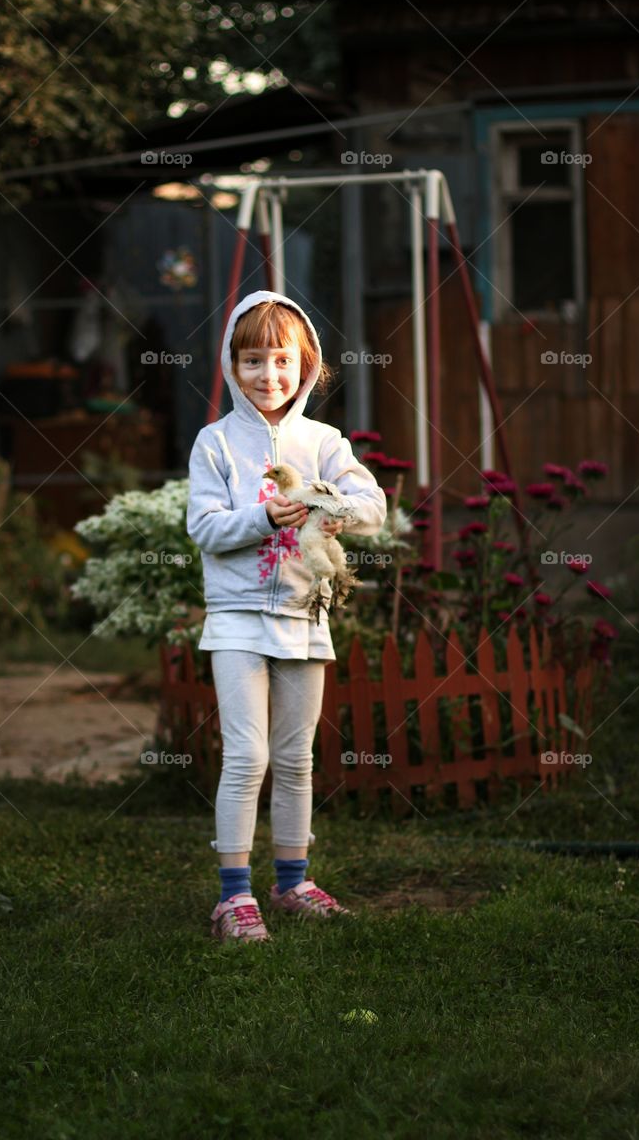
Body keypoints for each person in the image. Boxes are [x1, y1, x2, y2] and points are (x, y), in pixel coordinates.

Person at [187, 289, 387, 943]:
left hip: (305, 614)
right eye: (251, 361)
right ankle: (232, 897)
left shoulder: (323, 441)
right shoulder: (215, 444)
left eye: (280, 361)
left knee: (296, 758)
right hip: (238, 617)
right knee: (246, 756)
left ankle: (292, 881)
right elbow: (205, 528)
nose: (267, 376)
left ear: (305, 366)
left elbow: (372, 509)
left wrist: (321, 499)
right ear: (230, 365)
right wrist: (262, 516)